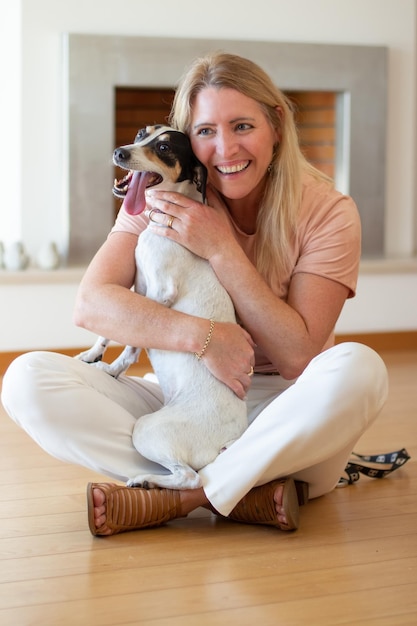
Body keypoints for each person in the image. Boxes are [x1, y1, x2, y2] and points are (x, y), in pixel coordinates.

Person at [1, 52, 388, 536]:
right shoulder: (159, 190)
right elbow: (92, 303)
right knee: (26, 380)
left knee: (361, 369)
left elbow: (298, 355)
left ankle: (187, 496)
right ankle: (245, 493)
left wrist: (223, 250)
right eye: (206, 131)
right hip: (186, 397)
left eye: (242, 125)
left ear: (277, 124)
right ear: (186, 139)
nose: (225, 148)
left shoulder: (329, 211)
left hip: (286, 410)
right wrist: (203, 336)